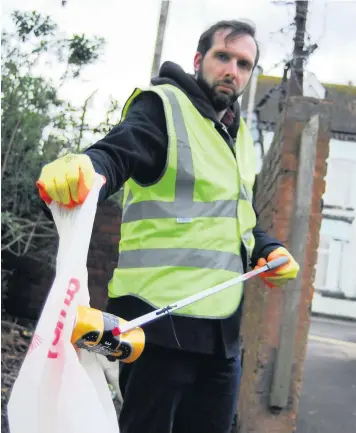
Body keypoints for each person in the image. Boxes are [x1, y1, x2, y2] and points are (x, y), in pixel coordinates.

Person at [37, 20, 299, 433]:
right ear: (199, 60)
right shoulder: (163, 107)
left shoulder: (239, 134)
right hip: (158, 325)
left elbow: (239, 219)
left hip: (222, 336)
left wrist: (267, 247)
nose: (233, 70)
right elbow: (118, 152)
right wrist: (87, 168)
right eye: (223, 57)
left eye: (244, 64)